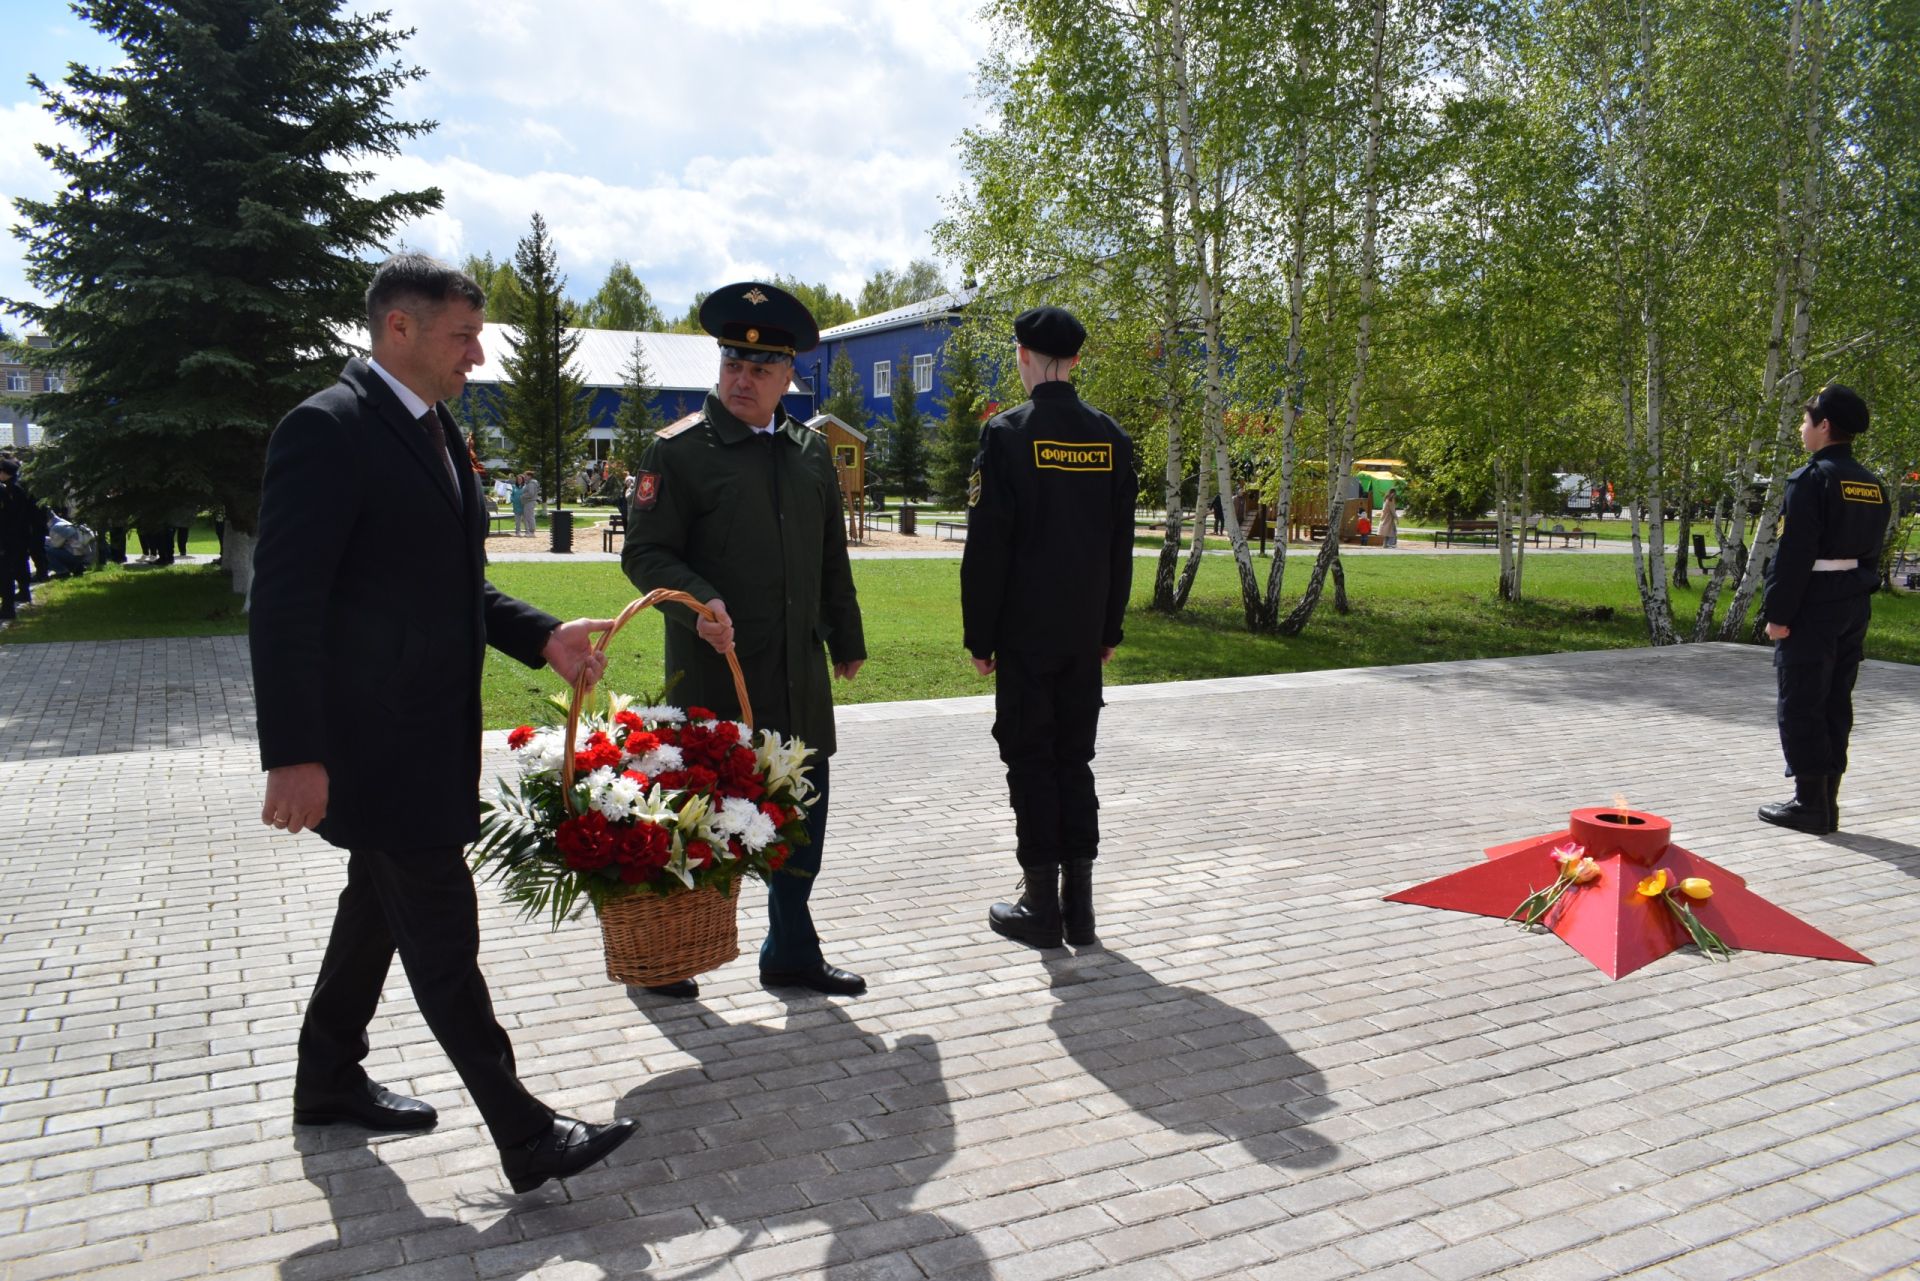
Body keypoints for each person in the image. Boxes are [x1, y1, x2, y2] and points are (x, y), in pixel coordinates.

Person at [249, 254, 634, 1194]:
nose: (478, 352)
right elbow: (283, 603)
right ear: (400, 331)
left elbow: (454, 586)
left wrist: (542, 636)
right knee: (439, 928)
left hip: (423, 736)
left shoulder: (432, 428)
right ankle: (524, 1129)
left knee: (376, 909)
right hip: (372, 745)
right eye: (463, 335)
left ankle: (326, 1075)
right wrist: (293, 754)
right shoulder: (328, 430)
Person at [622, 279, 869, 999]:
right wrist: (701, 600)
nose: (743, 378)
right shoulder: (680, 452)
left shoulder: (809, 453)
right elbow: (644, 554)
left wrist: (846, 638)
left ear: (790, 374)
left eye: (761, 368)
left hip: (798, 675)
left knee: (803, 815)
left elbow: (832, 557)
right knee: (699, 820)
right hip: (715, 677)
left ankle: (790, 947)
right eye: (732, 363)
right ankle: (669, 951)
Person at [961, 306, 1136, 949]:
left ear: (1023, 356)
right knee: (1074, 760)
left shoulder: (1006, 435)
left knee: (1032, 759)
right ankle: (1081, 911)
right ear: (1077, 362)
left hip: (1027, 638)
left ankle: (1041, 908)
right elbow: (1122, 548)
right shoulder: (1109, 438)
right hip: (1082, 636)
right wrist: (1109, 630)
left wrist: (980, 636)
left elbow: (989, 548)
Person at [1757, 383, 1888, 835]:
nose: (1801, 427)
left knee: (1801, 702)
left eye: (1806, 419)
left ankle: (1809, 805)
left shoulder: (1812, 479)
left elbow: (1794, 554)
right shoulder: (1871, 483)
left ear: (1824, 425)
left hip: (1812, 604)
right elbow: (1873, 551)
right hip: (1852, 601)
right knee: (1835, 700)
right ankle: (1827, 803)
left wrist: (1778, 613)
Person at [0, 458, 30, 619]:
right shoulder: (6, 489)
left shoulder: (10, 490)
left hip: (9, 538)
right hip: (10, 537)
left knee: (7, 573)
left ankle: (8, 608)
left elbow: (12, 516)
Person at [519, 472, 541, 537]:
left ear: (530, 476)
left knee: (530, 517)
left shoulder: (531, 484)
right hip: (528, 502)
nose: (524, 477)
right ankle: (530, 532)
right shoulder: (528, 483)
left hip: (530, 502)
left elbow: (531, 494)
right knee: (527, 517)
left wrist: (522, 496)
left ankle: (532, 532)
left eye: (525, 476)